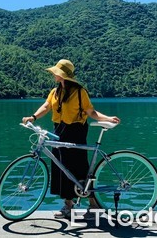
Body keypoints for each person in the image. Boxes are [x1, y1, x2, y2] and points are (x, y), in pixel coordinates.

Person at [22, 59, 120, 219]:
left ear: (63, 75)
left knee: (79, 167)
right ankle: (68, 205)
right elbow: (47, 106)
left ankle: (94, 205)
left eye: (56, 72)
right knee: (62, 168)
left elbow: (91, 112)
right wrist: (33, 117)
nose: (54, 75)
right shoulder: (55, 91)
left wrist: (108, 118)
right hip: (58, 130)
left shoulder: (80, 92)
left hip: (76, 131)